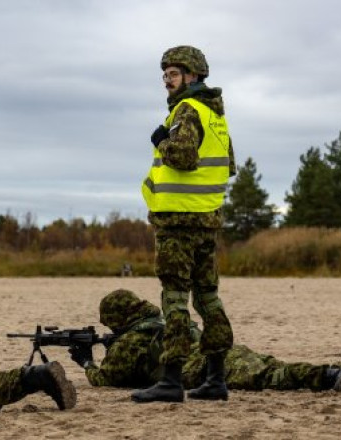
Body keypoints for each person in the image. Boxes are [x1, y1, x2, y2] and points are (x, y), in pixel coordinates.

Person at [69, 290, 341, 393]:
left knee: (273, 377)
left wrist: (86, 362)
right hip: (221, 354)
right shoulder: (163, 321)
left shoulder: (129, 343)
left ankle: (332, 376)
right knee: (275, 366)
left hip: (204, 369)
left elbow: (108, 379)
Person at [136, 45, 237, 403]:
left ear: (193, 76)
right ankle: (216, 378)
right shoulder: (216, 116)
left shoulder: (187, 110)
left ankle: (171, 380)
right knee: (208, 296)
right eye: (165, 74)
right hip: (207, 221)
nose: (167, 80)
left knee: (175, 298)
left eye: (174, 74)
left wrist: (163, 140)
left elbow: (183, 157)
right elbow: (229, 166)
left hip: (179, 223)